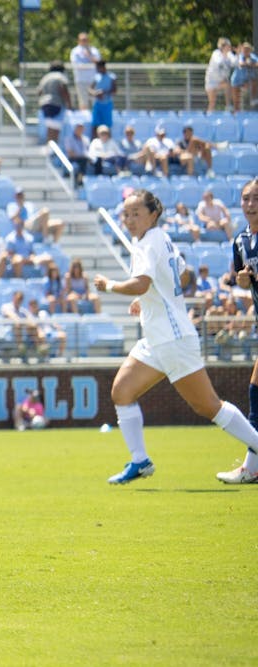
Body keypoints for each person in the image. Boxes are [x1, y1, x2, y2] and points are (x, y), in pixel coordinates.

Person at [92, 188, 258, 484]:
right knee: (122, 392)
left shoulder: (148, 242)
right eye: (126, 214)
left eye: (136, 214)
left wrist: (110, 286)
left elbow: (142, 283)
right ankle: (140, 461)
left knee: (208, 406)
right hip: (158, 337)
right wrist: (152, 299)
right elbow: (184, 276)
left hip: (172, 338)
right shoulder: (158, 238)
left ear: (153, 214)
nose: (129, 219)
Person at [223, 177, 258, 483]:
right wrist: (242, 281)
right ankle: (252, 466)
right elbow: (239, 277)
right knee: (255, 390)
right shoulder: (240, 241)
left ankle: (251, 466)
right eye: (246, 199)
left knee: (255, 390)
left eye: (255, 198)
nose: (250, 204)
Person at [36, 61, 71, 145]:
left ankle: (49, 145)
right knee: (56, 127)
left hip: (45, 104)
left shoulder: (45, 77)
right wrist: (69, 104)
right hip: (56, 103)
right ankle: (53, 147)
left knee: (49, 127)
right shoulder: (61, 77)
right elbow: (63, 90)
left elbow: (39, 92)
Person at [69, 32, 101, 111]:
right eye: (82, 40)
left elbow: (99, 63)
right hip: (81, 80)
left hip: (93, 80)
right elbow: (75, 64)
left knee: (95, 101)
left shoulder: (94, 50)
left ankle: (95, 120)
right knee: (83, 102)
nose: (84, 41)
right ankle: (84, 121)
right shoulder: (75, 51)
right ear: (78, 40)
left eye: (85, 39)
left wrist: (89, 56)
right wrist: (88, 65)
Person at [205, 38, 234, 113]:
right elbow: (219, 62)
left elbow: (235, 63)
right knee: (212, 102)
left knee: (227, 85)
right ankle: (209, 117)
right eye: (227, 46)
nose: (229, 47)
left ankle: (228, 106)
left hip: (220, 81)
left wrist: (238, 54)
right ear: (223, 46)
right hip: (211, 81)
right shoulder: (216, 53)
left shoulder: (229, 54)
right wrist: (225, 56)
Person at [89, 60, 116, 132]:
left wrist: (104, 92)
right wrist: (95, 93)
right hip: (97, 104)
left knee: (107, 127)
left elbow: (114, 90)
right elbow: (90, 89)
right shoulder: (96, 77)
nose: (97, 69)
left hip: (107, 104)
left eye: (98, 68)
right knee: (95, 126)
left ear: (103, 67)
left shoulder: (111, 76)